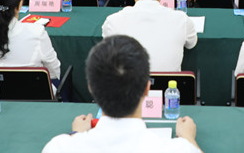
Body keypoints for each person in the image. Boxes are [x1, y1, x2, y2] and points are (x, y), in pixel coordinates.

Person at [41, 36, 201, 153]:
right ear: (147, 89)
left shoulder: (58, 147)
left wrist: (76, 135)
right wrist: (188, 138)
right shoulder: (180, 149)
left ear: (91, 88)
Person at [103, 0, 197, 71]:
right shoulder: (182, 20)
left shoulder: (112, 22)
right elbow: (191, 44)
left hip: (128, 82)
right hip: (168, 82)